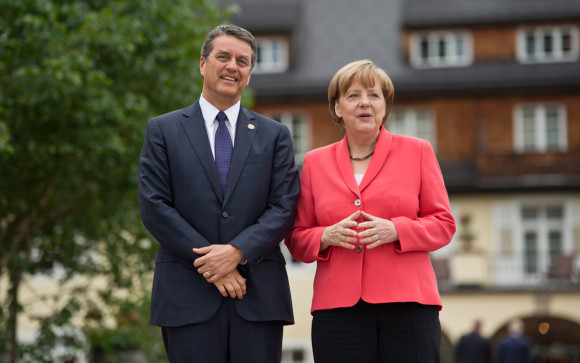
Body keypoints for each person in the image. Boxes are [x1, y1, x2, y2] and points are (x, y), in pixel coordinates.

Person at [138, 24, 300, 363]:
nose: (233, 66)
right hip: (187, 294)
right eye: (223, 57)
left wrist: (238, 252)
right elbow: (154, 206)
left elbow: (283, 207)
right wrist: (215, 265)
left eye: (243, 61)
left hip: (257, 296)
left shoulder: (275, 135)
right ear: (202, 64)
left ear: (250, 73)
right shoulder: (163, 130)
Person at [285, 59, 456, 363]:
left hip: (409, 306)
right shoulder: (314, 162)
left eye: (374, 95)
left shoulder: (418, 151)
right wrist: (326, 235)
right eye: (353, 95)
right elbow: (297, 239)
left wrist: (398, 229)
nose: (365, 103)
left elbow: (443, 224)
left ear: (385, 107)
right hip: (338, 309)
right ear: (338, 108)